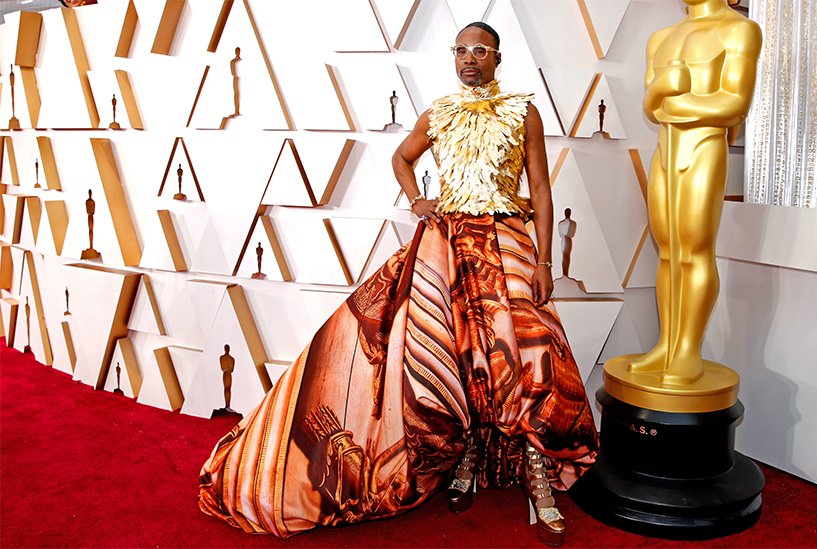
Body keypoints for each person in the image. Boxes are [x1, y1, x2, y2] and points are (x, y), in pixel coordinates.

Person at [198, 22, 598, 545]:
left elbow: (542, 190)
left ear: (498, 58)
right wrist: (416, 200)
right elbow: (400, 158)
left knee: (527, 352)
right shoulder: (438, 113)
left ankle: (538, 475)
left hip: (506, 239)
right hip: (447, 243)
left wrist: (545, 262)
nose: (468, 59)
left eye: (479, 51)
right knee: (453, 355)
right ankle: (469, 455)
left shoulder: (524, 111)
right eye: (460, 51)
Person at [627, 0, 761, 384]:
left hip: (704, 147)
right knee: (668, 251)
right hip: (666, 151)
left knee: (695, 249)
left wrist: (670, 97)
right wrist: (666, 93)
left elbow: (735, 104)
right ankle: (666, 345)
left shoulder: (739, 30)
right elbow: (650, 107)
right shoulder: (661, 38)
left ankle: (688, 349)